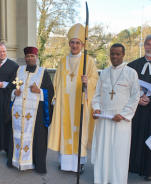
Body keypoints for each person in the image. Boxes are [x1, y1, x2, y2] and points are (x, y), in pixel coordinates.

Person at [48, 23, 99, 172]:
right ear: (69, 43)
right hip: (64, 104)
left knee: (79, 131)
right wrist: (56, 98)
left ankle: (79, 163)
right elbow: (56, 81)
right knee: (65, 132)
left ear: (82, 44)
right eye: (72, 42)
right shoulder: (63, 61)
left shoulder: (88, 61)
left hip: (80, 102)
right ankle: (64, 163)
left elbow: (95, 79)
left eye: (78, 42)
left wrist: (87, 82)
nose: (75, 45)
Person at [91, 43, 140, 184]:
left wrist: (124, 114)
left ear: (123, 55)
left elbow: (135, 96)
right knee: (104, 150)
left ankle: (117, 180)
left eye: (118, 54)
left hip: (121, 118)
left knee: (118, 151)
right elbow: (97, 94)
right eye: (112, 53)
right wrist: (96, 108)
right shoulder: (104, 72)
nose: (114, 56)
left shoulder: (131, 73)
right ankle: (102, 179)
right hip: (104, 117)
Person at [6, 47, 54, 173]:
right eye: (27, 56)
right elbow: (10, 87)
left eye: (32, 56)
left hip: (35, 112)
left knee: (36, 136)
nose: (30, 58)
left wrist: (40, 91)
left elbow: (51, 91)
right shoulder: (19, 71)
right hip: (18, 110)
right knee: (17, 134)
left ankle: (35, 163)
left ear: (36, 57)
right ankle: (16, 160)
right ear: (25, 58)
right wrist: (13, 92)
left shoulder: (43, 72)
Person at [128, 34, 151, 181]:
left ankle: (149, 170)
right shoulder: (132, 66)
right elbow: (124, 87)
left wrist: (150, 99)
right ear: (144, 45)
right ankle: (130, 166)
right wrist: (136, 98)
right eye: (147, 44)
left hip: (150, 111)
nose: (150, 47)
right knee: (132, 137)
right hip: (135, 110)